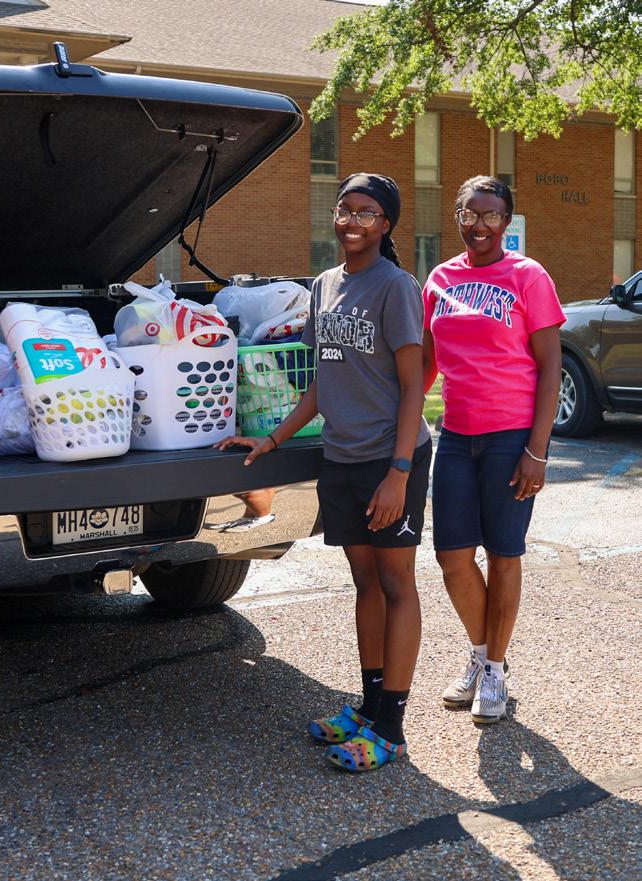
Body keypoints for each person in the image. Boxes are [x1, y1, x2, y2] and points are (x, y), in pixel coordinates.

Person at [216, 173, 430, 772]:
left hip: (390, 457)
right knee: (365, 585)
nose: (352, 221)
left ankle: (391, 728)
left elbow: (414, 386)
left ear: (385, 225)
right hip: (342, 457)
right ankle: (368, 707)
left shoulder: (397, 287)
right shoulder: (324, 284)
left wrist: (399, 473)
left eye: (367, 213)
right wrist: (273, 437)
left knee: (396, 585)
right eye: (345, 209)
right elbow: (321, 380)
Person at [423, 176, 564, 725]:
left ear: (506, 221)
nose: (480, 225)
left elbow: (550, 367)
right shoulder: (440, 279)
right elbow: (427, 364)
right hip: (457, 436)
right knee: (452, 557)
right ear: (457, 216)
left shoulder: (528, 276)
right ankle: (482, 656)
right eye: (470, 214)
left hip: (511, 437)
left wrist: (538, 450)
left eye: (491, 215)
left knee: (504, 554)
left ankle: (496, 671)